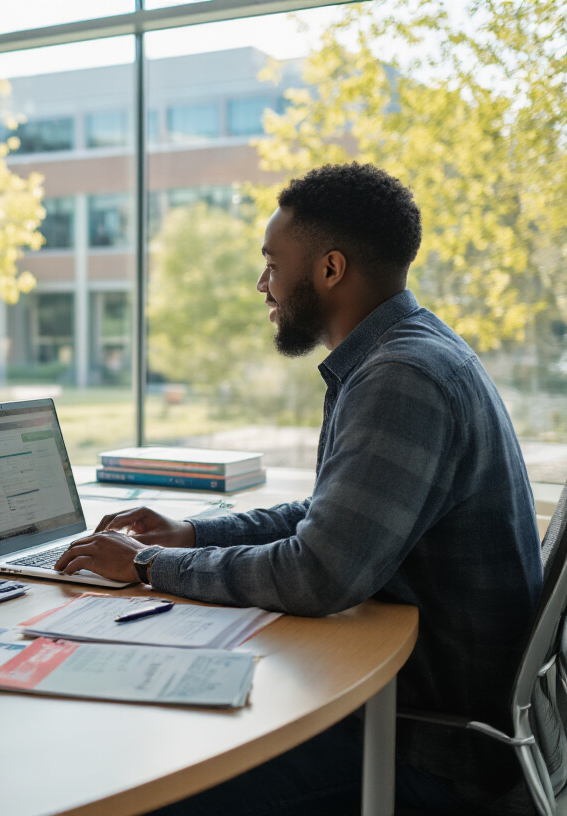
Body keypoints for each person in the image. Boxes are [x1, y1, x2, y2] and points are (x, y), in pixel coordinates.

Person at [55, 163, 542, 814]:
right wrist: (194, 533)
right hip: (421, 716)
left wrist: (147, 565)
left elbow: (318, 574)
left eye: (272, 264)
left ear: (330, 270)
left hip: (433, 755)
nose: (263, 285)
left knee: (140, 783)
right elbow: (326, 516)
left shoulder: (403, 377)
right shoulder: (403, 353)